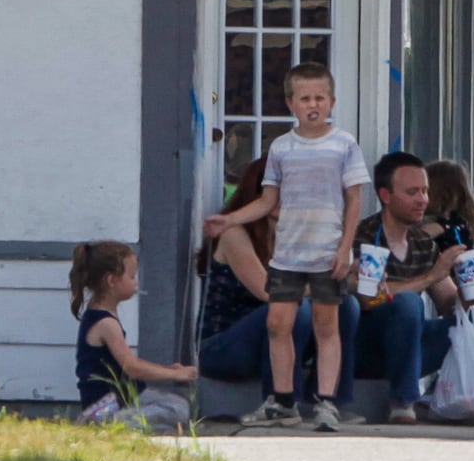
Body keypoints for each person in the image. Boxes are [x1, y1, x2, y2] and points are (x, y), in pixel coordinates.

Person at [203, 62, 368, 432]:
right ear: (291, 103)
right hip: (288, 254)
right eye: (305, 98)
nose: (313, 105)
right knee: (279, 324)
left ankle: (326, 402)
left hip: (325, 250)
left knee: (327, 325)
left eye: (320, 98)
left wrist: (345, 248)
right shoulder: (281, 147)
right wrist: (229, 220)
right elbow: (266, 200)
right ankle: (282, 400)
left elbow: (354, 200)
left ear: (332, 101)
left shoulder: (344, 145)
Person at [351, 152, 474, 424]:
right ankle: (403, 402)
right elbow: (367, 295)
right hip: (370, 345)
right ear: (386, 195)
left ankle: (448, 397)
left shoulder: (422, 242)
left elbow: (446, 303)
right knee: (409, 303)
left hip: (413, 342)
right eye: (412, 192)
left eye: (425, 191)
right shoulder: (365, 236)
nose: (423, 200)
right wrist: (430, 277)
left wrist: (468, 295)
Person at [195, 155, 359, 421]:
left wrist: (351, 274)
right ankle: (281, 402)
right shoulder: (235, 234)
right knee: (296, 309)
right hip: (223, 347)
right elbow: (267, 292)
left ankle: (328, 402)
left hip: (275, 342)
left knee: (346, 305)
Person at [70, 241, 197, 412]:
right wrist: (175, 374)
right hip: (107, 406)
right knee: (177, 410)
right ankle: (107, 424)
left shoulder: (100, 315)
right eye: (132, 276)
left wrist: (167, 369)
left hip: (124, 398)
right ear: (111, 280)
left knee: (178, 404)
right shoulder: (106, 324)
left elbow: (129, 363)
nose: (136, 282)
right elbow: (132, 368)